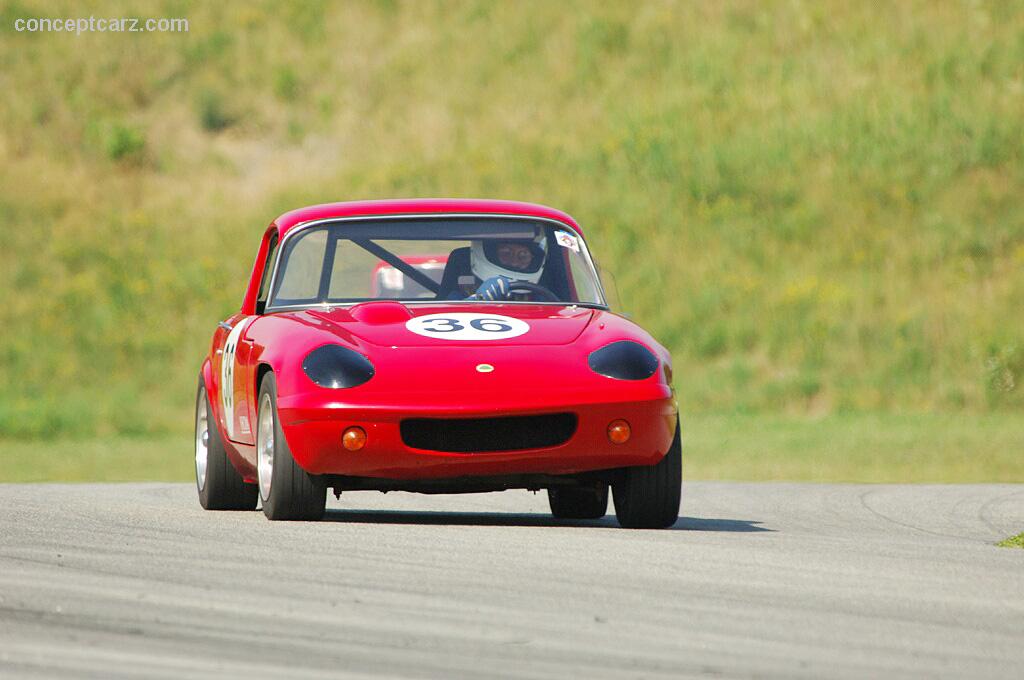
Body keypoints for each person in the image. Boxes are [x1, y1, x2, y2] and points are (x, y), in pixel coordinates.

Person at [466, 234, 547, 301]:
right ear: (492, 254)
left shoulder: (541, 300)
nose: (515, 262)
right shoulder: (463, 292)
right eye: (506, 253)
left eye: (523, 256)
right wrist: (477, 300)